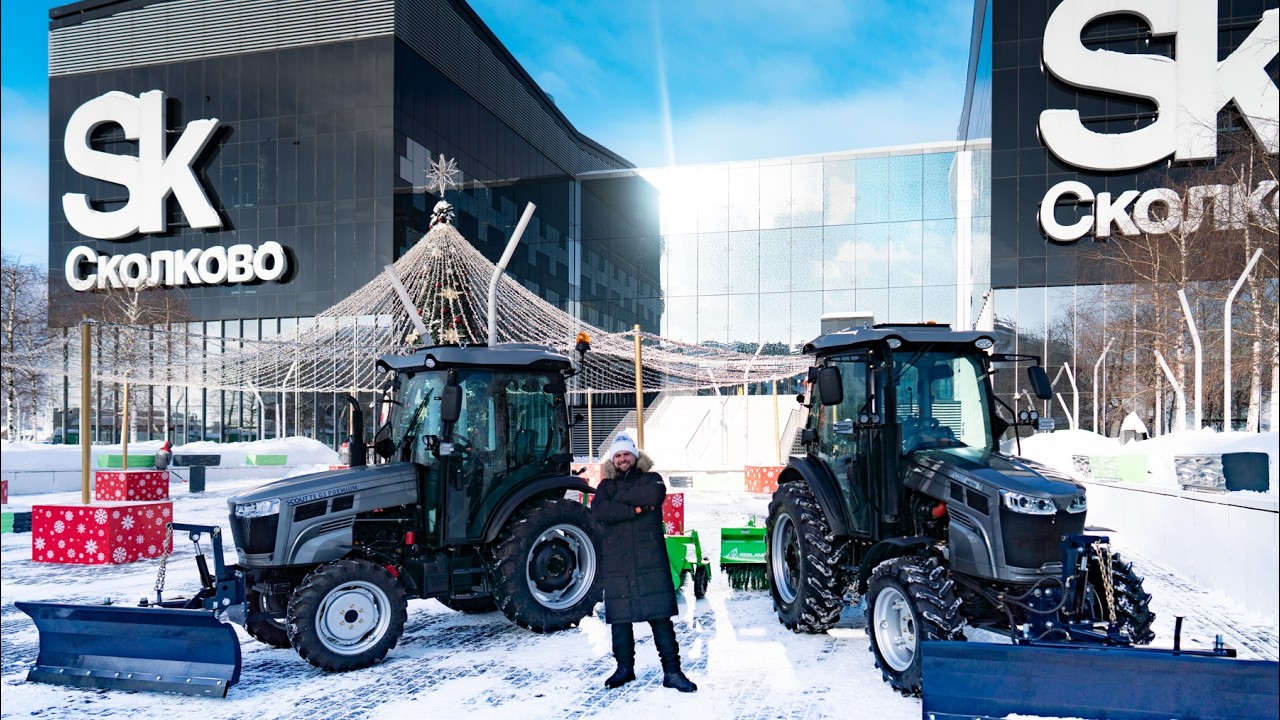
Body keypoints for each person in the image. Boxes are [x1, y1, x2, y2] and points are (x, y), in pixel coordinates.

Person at [591, 433, 698, 693]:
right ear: (613, 460)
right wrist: (634, 510)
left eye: (627, 454)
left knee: (660, 617)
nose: (623, 459)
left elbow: (654, 494)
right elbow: (599, 510)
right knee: (620, 620)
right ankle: (624, 669)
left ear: (635, 456)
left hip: (650, 559)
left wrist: (620, 503)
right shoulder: (605, 486)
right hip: (619, 561)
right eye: (618, 455)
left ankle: (672, 672)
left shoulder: (651, 479)